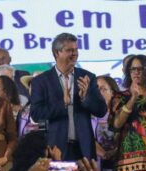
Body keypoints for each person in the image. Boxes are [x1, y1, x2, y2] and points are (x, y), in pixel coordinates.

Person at [30, 33, 107, 162]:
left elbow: (101, 110)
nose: (74, 53)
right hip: (57, 150)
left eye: (76, 50)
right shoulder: (41, 81)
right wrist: (62, 104)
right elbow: (36, 114)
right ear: (56, 52)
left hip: (84, 149)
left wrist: (85, 98)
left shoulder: (87, 77)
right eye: (70, 50)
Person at [95, 75, 120, 171]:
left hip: (119, 167)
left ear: (112, 93)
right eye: (96, 88)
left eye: (103, 89)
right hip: (96, 168)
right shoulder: (88, 115)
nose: (99, 92)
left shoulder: (120, 114)